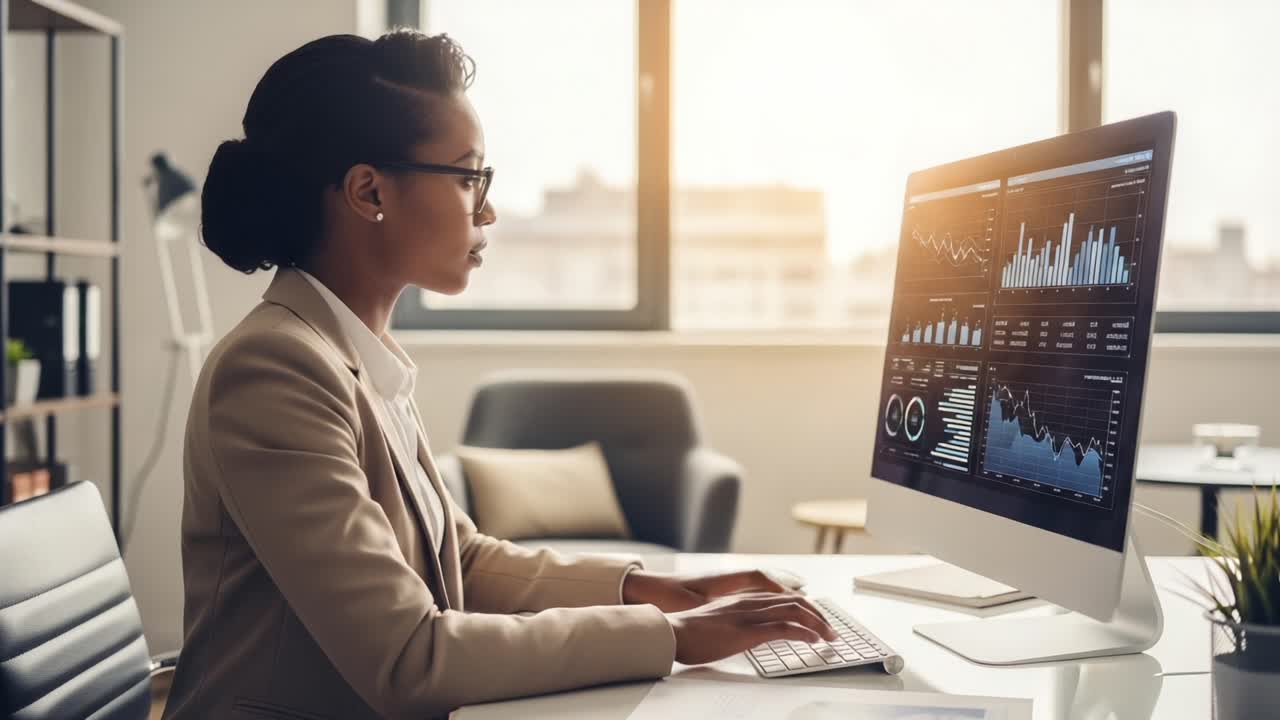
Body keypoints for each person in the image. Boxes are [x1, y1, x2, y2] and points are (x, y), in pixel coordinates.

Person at [162, 29, 836, 720]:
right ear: (369, 192)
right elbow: (409, 657)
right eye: (468, 175)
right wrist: (674, 637)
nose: (487, 209)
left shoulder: (353, 354)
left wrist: (659, 589)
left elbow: (465, 559)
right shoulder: (275, 371)